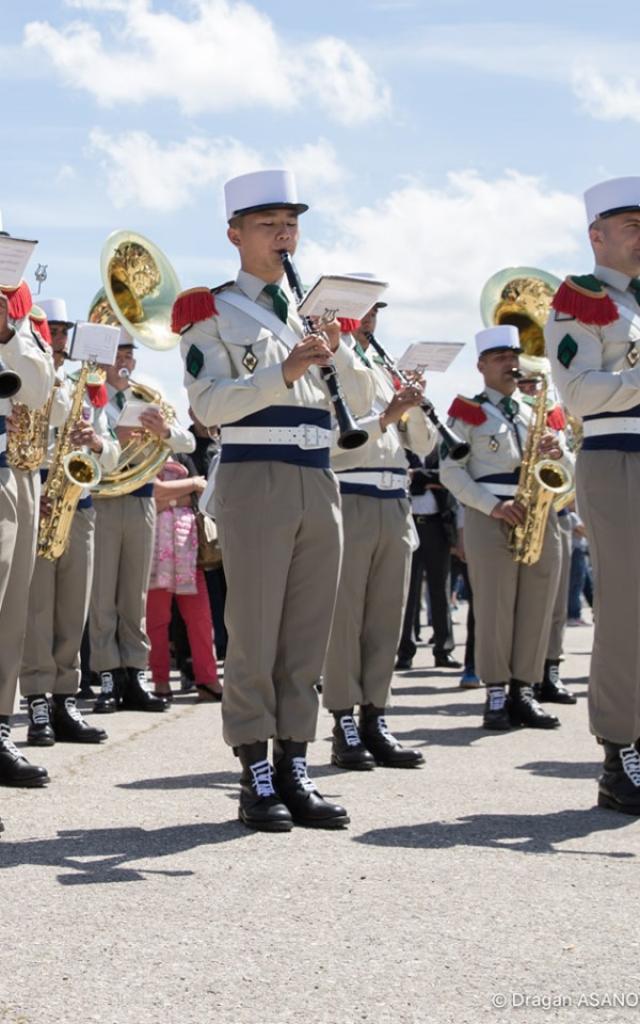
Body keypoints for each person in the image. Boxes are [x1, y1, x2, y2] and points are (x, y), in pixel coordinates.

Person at [175, 169, 373, 831]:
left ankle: (295, 764)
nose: (284, 233)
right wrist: (282, 369)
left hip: (318, 474)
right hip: (256, 474)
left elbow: (366, 405)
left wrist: (339, 356)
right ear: (235, 234)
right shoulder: (213, 309)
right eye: (268, 223)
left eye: (291, 222)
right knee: (256, 633)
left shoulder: (315, 310)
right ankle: (254, 771)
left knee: (306, 634)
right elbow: (208, 404)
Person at [546, 176, 640, 813]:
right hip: (618, 458)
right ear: (597, 236)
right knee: (628, 610)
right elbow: (578, 395)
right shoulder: (579, 303)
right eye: (632, 227)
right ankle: (621, 747)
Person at [441, 324, 571, 732]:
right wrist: (492, 506)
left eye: (513, 357)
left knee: (538, 605)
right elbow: (450, 469)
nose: (510, 365)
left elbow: (568, 470)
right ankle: (496, 691)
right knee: (496, 606)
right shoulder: (467, 410)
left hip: (538, 511)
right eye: (500, 358)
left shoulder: (539, 410)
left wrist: (559, 452)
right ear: (481, 366)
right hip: (491, 513)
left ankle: (524, 690)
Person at [323, 303, 436, 771]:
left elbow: (425, 446)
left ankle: (376, 716)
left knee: (386, 622)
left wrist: (411, 409)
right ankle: (344, 721)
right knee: (346, 620)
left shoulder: (381, 365)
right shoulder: (329, 359)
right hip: (352, 496)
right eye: (362, 310)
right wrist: (386, 417)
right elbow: (329, 438)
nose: (369, 319)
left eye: (375, 312)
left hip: (395, 502)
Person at [19, 298, 120, 746]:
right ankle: (37, 698)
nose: (58, 340)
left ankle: (65, 698)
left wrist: (96, 441)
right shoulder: (28, 374)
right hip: (39, 496)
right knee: (37, 610)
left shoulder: (87, 383)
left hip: (78, 504)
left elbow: (113, 452)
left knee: (73, 610)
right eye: (51, 331)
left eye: (64, 332)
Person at [90, 333, 195, 714]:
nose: (123, 360)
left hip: (140, 500)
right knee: (103, 595)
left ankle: (135, 674)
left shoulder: (147, 397)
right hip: (103, 500)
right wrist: (111, 439)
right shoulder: (89, 396)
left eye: (128, 353)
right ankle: (106, 677)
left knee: (135, 594)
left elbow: (189, 443)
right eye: (116, 352)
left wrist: (163, 432)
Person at [0, 254, 56, 786]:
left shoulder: (21, 313)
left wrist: (6, 332)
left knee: (11, 614)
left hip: (13, 471)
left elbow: (39, 391)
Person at [147, 459, 221, 701]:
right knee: (157, 621)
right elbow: (153, 494)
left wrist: (169, 498)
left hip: (189, 551)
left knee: (201, 619)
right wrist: (189, 486)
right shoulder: (143, 453)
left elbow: (203, 495)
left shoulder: (184, 451)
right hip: (156, 554)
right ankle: (160, 682)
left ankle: (208, 680)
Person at [396, 449, 461, 672]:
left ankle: (444, 650)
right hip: (410, 524)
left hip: (437, 527)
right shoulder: (402, 449)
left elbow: (449, 477)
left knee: (440, 591)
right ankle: (405, 652)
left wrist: (419, 476)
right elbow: (402, 477)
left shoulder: (439, 450)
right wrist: (424, 478)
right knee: (409, 592)